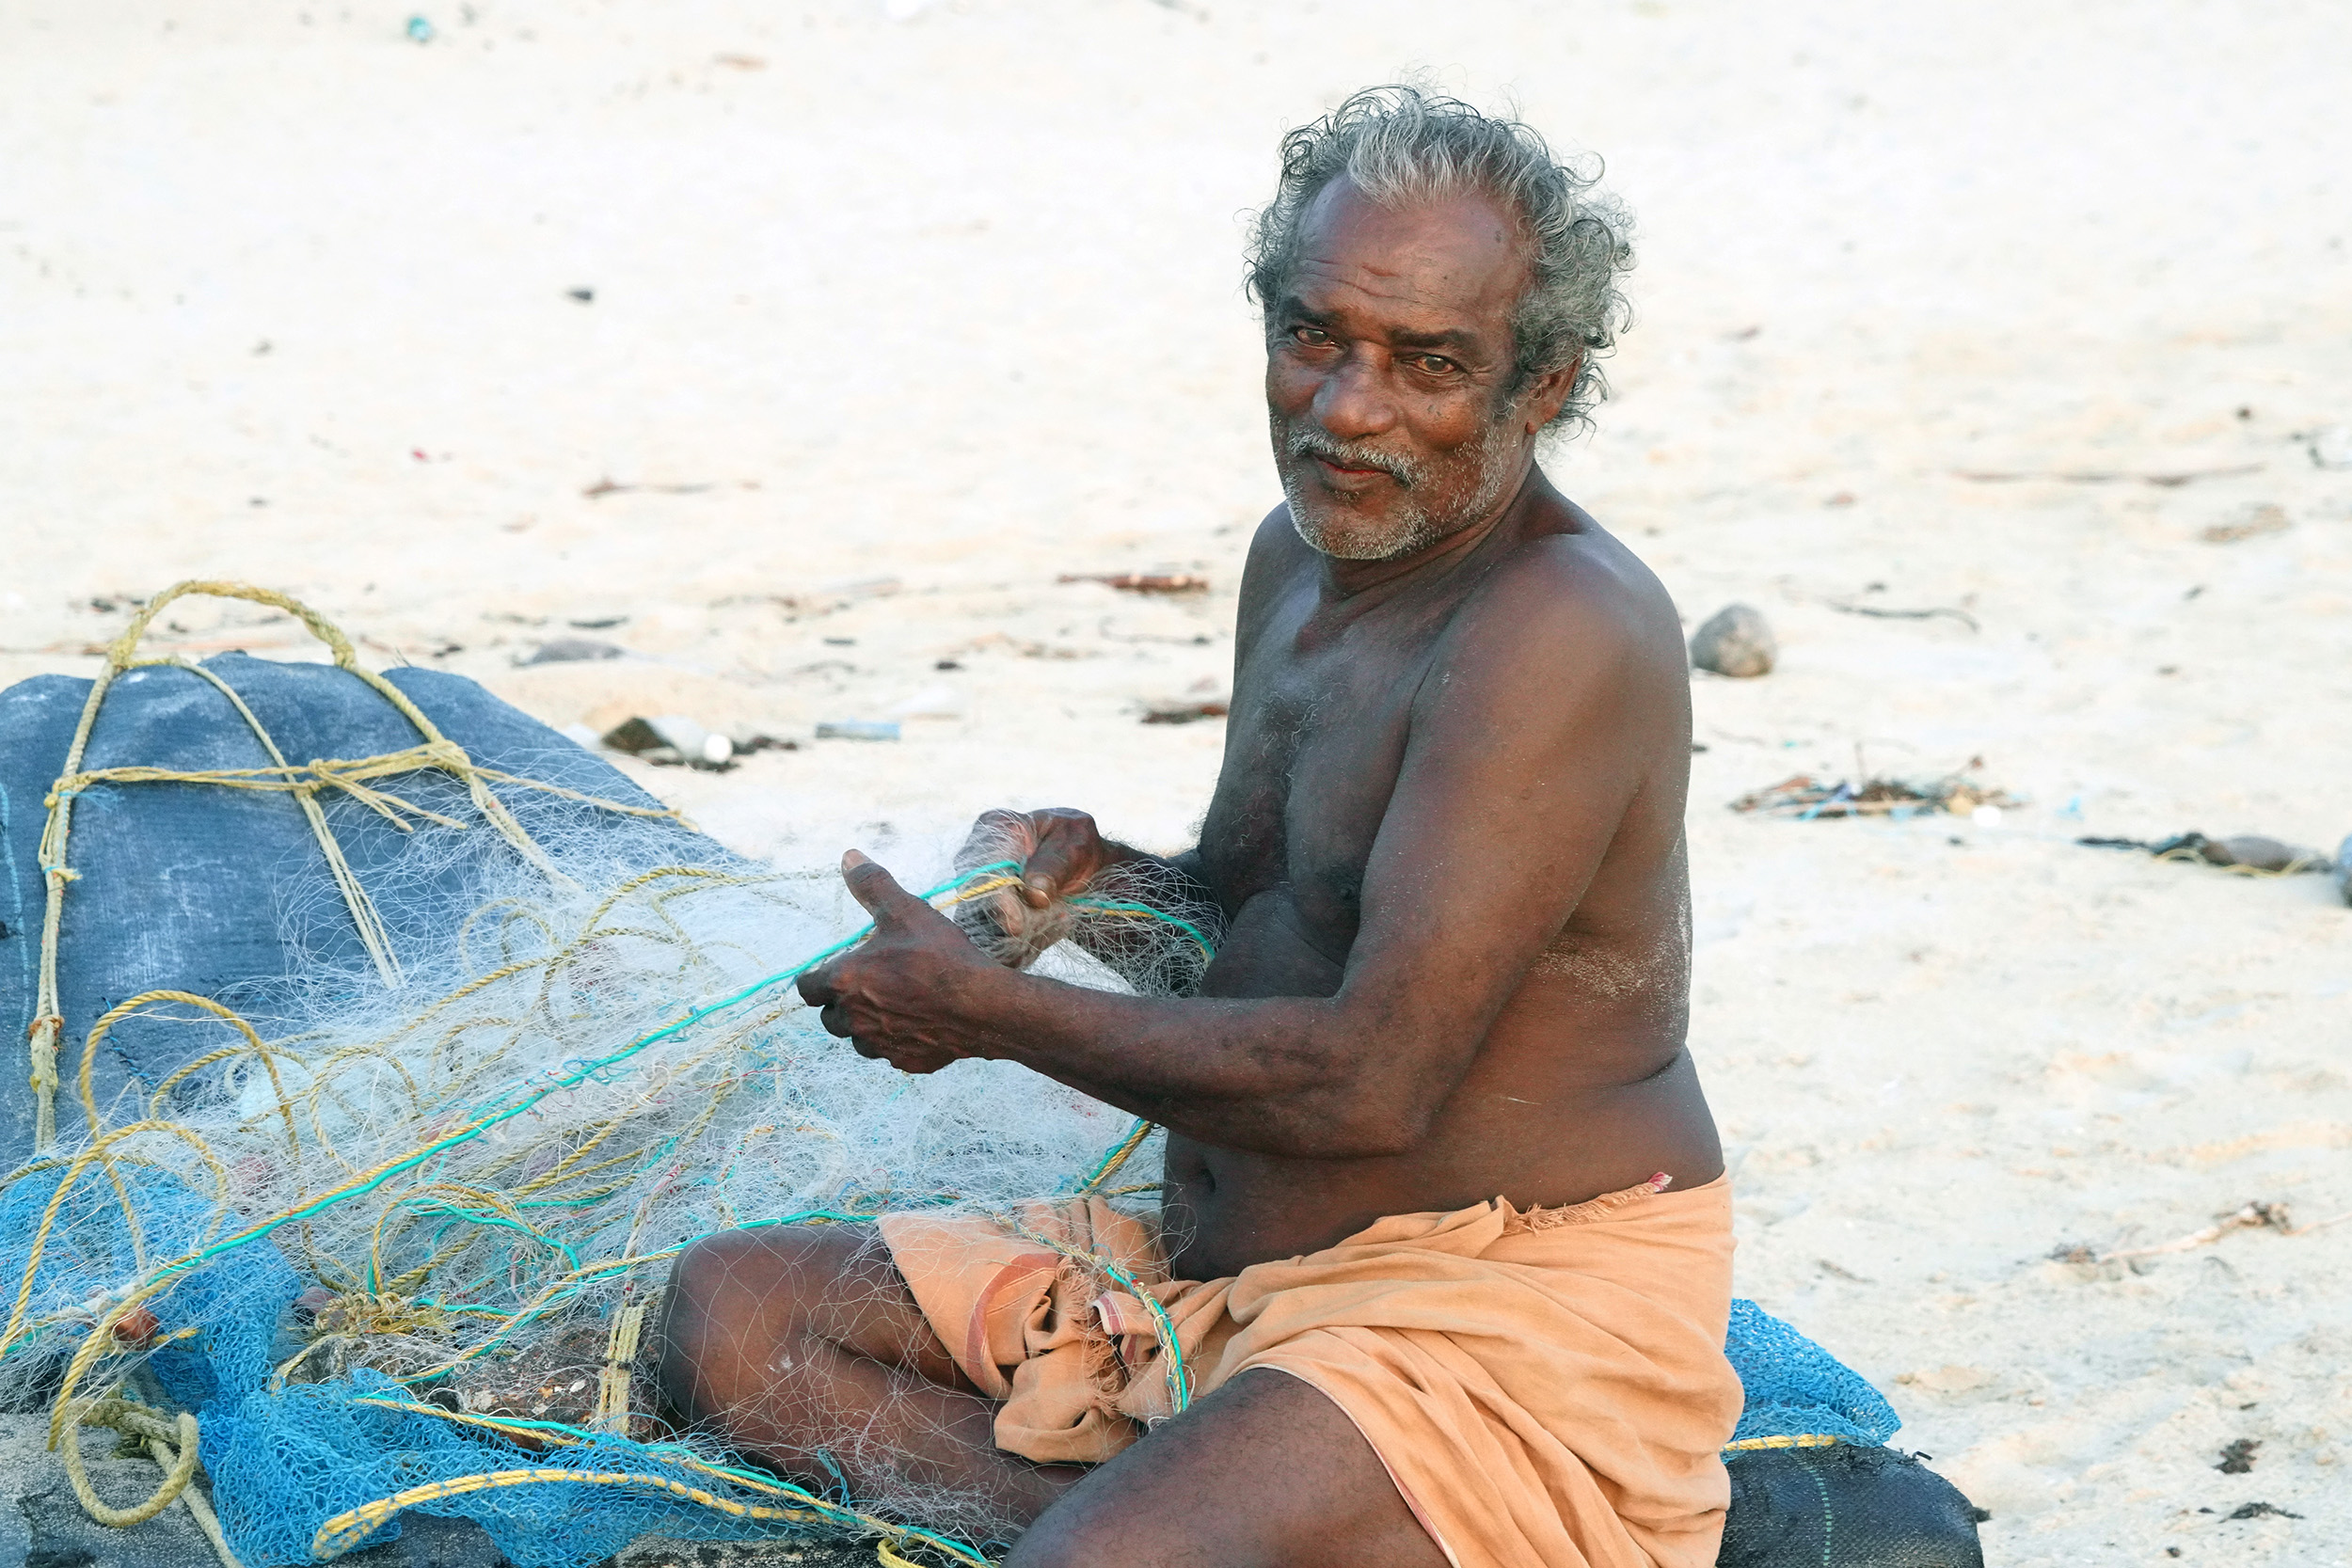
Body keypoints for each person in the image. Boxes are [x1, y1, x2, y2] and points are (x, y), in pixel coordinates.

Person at [658, 85, 1739, 1568]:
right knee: (730, 1321)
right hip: (1218, 1288)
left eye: (1428, 363)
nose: (1347, 409)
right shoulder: (1297, 563)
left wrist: (986, 1013)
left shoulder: (1558, 629)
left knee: (1099, 1561)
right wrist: (1087, 892)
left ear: (1540, 387)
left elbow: (1373, 1084)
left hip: (1483, 1311)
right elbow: (1250, 930)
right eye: (1314, 338)